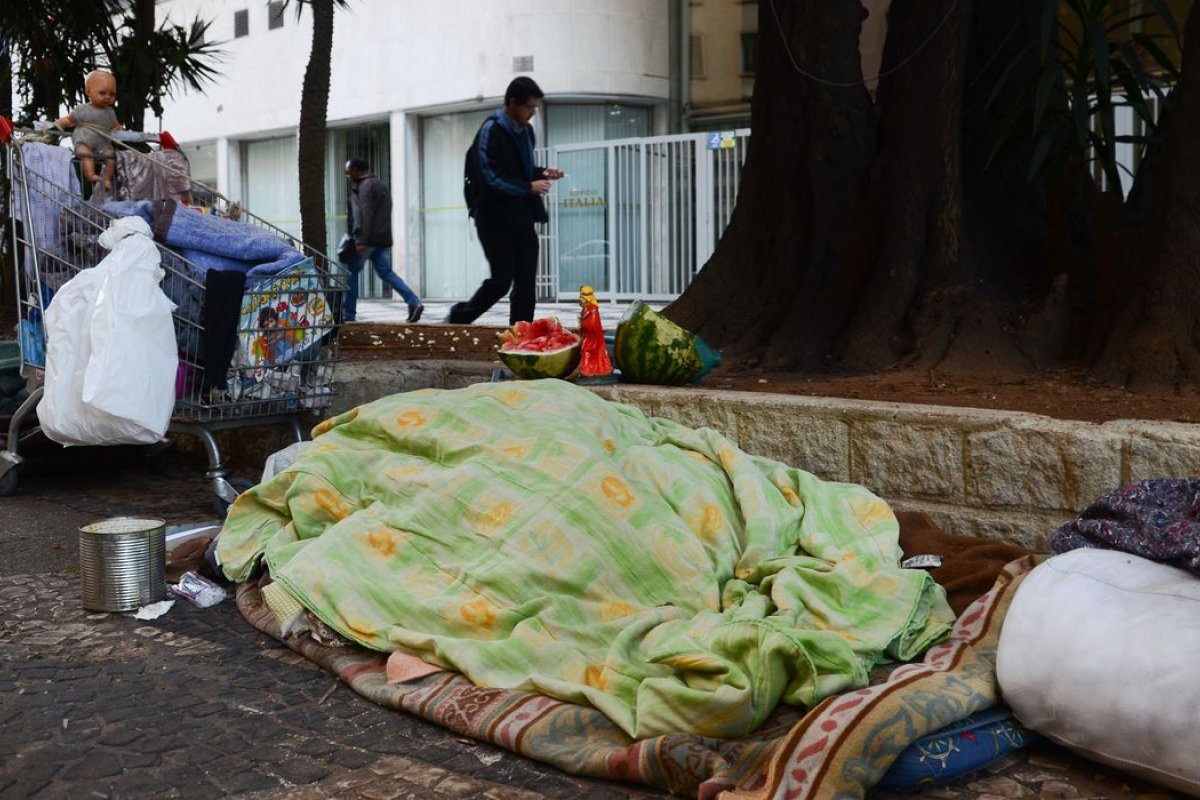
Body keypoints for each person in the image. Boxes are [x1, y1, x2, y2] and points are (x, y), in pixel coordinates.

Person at [447, 77, 563, 325]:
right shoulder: (492, 129)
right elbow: (489, 175)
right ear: (512, 103)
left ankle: (522, 335)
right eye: (529, 107)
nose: (532, 113)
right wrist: (527, 186)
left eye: (535, 108)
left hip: (521, 217)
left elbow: (521, 170)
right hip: (493, 219)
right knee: (501, 280)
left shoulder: (527, 132)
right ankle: (458, 318)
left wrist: (542, 172)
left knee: (526, 281)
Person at [343, 157, 423, 323]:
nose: (348, 175)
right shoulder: (381, 184)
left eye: (348, 171)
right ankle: (414, 302)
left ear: (357, 170)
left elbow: (364, 214)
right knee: (386, 273)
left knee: (350, 272)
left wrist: (361, 240)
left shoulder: (363, 187)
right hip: (382, 239)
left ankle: (348, 313)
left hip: (367, 240)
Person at [55, 70, 124, 190]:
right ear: (88, 92)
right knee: (86, 155)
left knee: (111, 156)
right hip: (84, 142)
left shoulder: (110, 112)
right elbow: (68, 120)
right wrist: (56, 125)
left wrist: (119, 128)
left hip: (103, 144)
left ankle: (107, 178)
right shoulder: (82, 110)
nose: (107, 97)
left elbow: (114, 124)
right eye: (102, 93)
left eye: (112, 94)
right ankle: (90, 175)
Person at [577, 285, 613, 377]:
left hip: (593, 338)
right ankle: (586, 369)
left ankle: (588, 370)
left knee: (587, 351)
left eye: (583, 298)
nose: (581, 300)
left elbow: (592, 326)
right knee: (585, 351)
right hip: (588, 336)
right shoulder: (585, 309)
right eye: (580, 297)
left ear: (588, 299)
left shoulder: (593, 311)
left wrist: (582, 322)